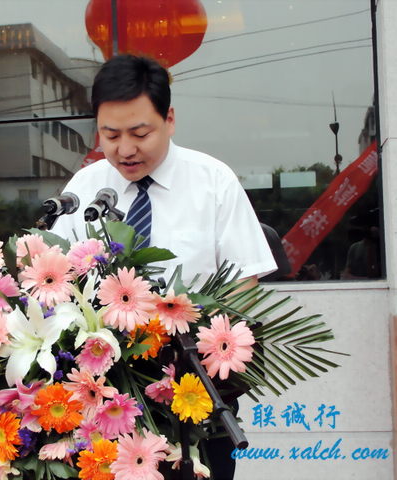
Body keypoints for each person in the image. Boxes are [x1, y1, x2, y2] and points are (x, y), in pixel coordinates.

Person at [51, 55, 277, 479]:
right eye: (110, 134)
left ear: (169, 119)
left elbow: (243, 293)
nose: (125, 149)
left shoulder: (214, 182)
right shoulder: (84, 188)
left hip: (194, 394)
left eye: (140, 132)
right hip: (104, 401)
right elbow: (56, 281)